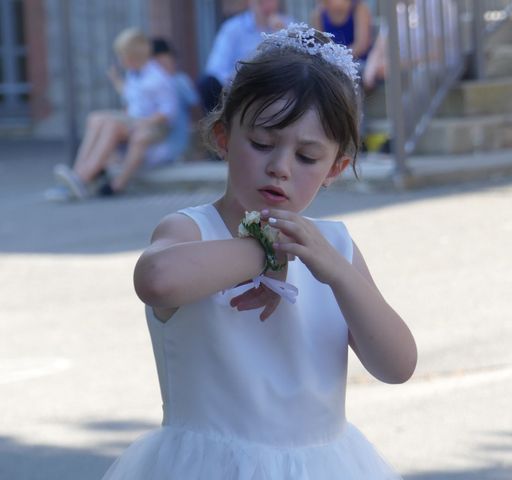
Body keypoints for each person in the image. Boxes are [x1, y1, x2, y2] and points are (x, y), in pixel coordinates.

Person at [101, 23, 417, 479]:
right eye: (263, 143)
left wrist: (337, 271)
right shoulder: (194, 230)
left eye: (307, 157)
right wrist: (269, 252)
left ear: (336, 167)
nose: (280, 167)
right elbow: (157, 280)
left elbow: (397, 365)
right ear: (225, 137)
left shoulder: (333, 250)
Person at [50, 28, 180, 200]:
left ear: (133, 56)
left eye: (122, 55)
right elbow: (132, 97)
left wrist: (142, 123)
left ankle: (82, 178)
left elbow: (168, 111)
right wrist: (117, 81)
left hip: (152, 125)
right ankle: (79, 173)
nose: (119, 60)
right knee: (95, 118)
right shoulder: (135, 74)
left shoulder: (157, 78)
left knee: (111, 124)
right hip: (134, 119)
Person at [198, 0, 287, 114]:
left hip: (277, 87)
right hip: (240, 90)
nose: (267, 6)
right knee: (207, 84)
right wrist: (238, 85)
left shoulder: (287, 26)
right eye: (261, 2)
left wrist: (282, 36)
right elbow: (215, 69)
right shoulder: (233, 29)